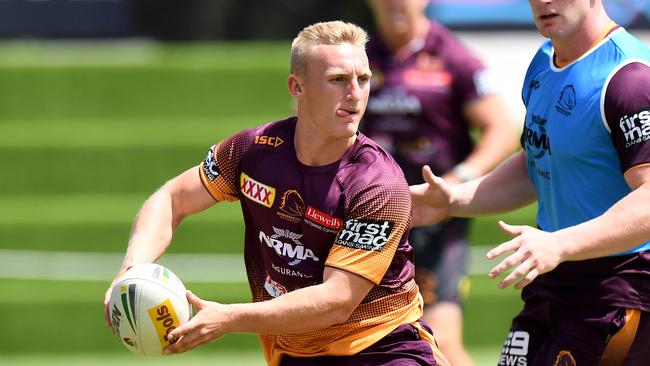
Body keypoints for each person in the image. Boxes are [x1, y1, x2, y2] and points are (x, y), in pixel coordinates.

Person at [104, 21, 450, 366]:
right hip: (295, 353)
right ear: (297, 87)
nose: (355, 93)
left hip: (383, 348)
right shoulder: (253, 151)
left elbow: (337, 300)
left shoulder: (377, 182)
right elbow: (172, 199)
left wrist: (229, 317)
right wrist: (131, 270)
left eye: (363, 79)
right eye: (337, 80)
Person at [410, 0, 650, 364]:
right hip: (553, 283)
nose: (543, 2)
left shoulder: (629, 79)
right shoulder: (543, 61)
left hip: (617, 293)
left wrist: (560, 244)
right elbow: (536, 162)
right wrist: (453, 200)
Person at [362, 1, 519, 365]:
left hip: (434, 217)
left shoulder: (453, 56)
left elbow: (503, 130)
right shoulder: (357, 58)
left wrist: (456, 183)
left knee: (439, 337)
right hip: (372, 216)